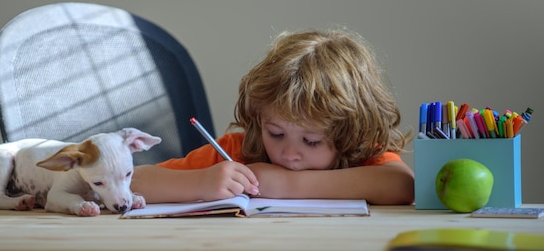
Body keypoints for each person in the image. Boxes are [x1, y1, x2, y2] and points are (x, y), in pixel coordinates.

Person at [132, 28, 414, 205]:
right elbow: (131, 182)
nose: (289, 153)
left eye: (312, 141)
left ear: (349, 133)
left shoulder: (359, 154)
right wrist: (200, 183)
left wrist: (287, 184)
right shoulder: (239, 153)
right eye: (276, 134)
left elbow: (403, 185)